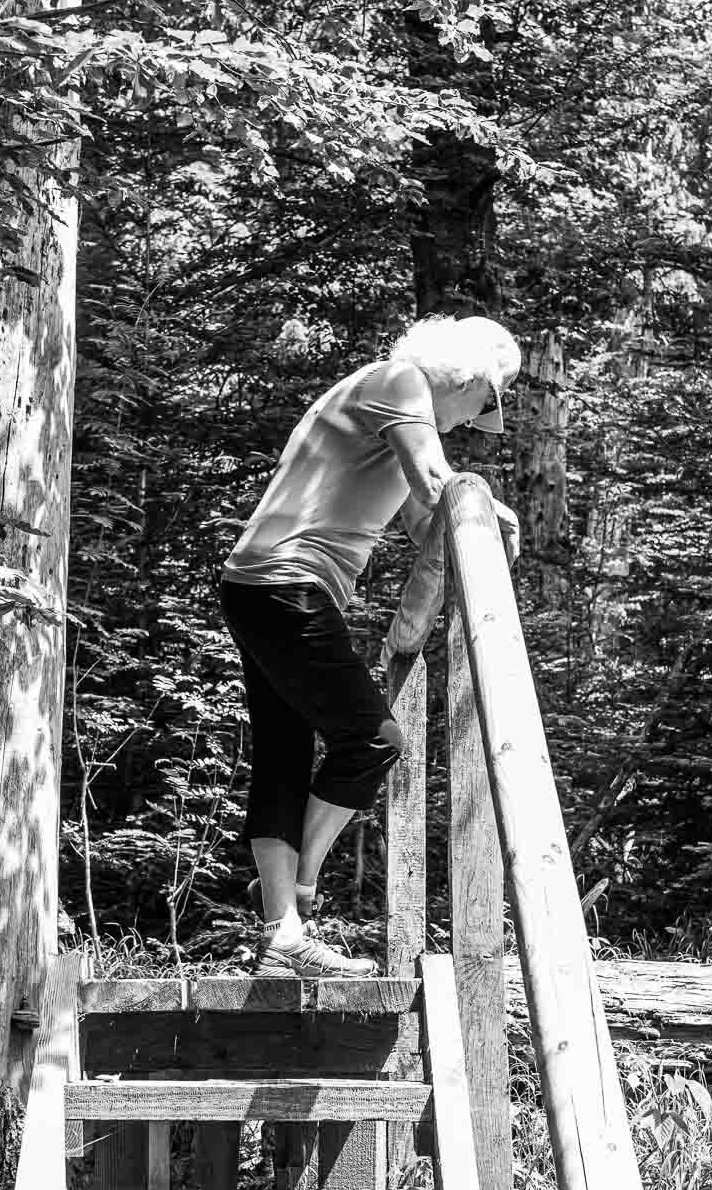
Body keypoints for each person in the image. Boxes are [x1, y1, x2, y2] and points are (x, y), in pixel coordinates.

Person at [219, 313, 523, 973]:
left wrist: (476, 543)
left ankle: (281, 935)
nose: (475, 419)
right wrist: (488, 506)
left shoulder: (386, 407)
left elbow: (428, 527)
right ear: (466, 377)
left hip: (263, 583)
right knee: (375, 740)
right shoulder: (399, 382)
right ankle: (298, 891)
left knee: (283, 756)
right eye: (484, 403)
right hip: (284, 583)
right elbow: (439, 487)